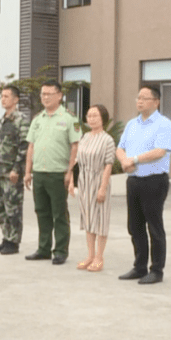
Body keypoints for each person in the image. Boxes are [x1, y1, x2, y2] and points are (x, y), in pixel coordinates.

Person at [116, 86, 171, 284]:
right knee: (135, 226)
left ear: (156, 102)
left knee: (154, 226)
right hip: (134, 180)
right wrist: (124, 161)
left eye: (145, 98)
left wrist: (133, 160)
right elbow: (120, 147)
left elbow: (160, 151)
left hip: (154, 180)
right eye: (138, 97)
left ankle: (157, 270)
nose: (139, 101)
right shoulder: (132, 124)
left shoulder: (164, 124)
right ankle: (139, 266)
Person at [24, 80, 80, 265]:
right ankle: (43, 248)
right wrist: (27, 172)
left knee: (59, 213)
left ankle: (61, 251)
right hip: (39, 172)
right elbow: (31, 147)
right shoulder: (37, 119)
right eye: (42, 94)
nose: (45, 97)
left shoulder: (69, 118)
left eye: (49, 94)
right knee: (42, 212)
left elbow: (75, 147)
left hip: (58, 173)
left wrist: (70, 172)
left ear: (59, 96)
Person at [68, 105, 116, 272]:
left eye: (95, 116)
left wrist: (103, 188)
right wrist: (72, 182)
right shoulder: (85, 137)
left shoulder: (107, 139)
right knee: (88, 219)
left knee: (101, 219)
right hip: (84, 180)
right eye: (89, 115)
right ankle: (90, 255)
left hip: (99, 179)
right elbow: (76, 161)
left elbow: (108, 164)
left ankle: (99, 257)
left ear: (103, 118)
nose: (91, 119)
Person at [0, 85, 29, 255]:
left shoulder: (20, 119)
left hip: (12, 173)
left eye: (6, 96)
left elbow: (24, 146)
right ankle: (6, 237)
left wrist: (17, 169)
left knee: (13, 208)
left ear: (16, 99)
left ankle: (13, 242)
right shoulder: (3, 119)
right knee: (0, 208)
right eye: (2, 96)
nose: (3, 99)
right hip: (0, 171)